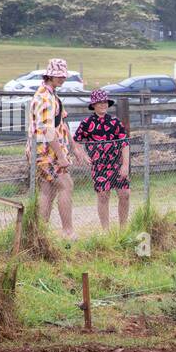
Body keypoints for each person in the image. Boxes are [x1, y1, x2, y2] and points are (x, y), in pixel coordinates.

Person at [26, 58, 76, 240]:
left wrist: (73, 146)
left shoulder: (51, 94)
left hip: (46, 149)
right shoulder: (45, 97)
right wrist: (62, 156)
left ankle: (40, 233)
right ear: (49, 75)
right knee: (66, 185)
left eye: (63, 75)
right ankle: (67, 231)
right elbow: (47, 130)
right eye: (58, 75)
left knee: (48, 189)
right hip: (46, 150)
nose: (62, 78)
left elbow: (60, 123)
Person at [73, 88, 131, 229]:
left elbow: (125, 143)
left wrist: (125, 165)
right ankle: (106, 230)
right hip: (99, 166)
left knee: (125, 194)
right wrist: (82, 154)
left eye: (105, 102)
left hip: (116, 164)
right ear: (94, 105)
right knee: (103, 196)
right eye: (100, 102)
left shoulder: (115, 122)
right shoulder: (87, 123)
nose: (103, 105)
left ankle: (123, 228)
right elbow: (75, 141)